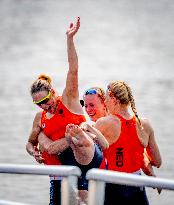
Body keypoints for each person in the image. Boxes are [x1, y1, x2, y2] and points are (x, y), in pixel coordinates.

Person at [26, 17, 103, 205]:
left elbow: (73, 70)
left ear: (53, 92)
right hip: (60, 173)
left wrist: (70, 40)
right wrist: (33, 153)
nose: (44, 106)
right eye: (39, 104)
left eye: (46, 100)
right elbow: (29, 143)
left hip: (85, 163)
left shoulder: (68, 101)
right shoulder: (40, 117)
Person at [91, 81, 162, 205]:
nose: (105, 103)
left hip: (113, 186)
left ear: (114, 99)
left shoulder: (104, 123)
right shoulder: (144, 124)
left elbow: (89, 154)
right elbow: (157, 162)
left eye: (106, 99)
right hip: (137, 187)